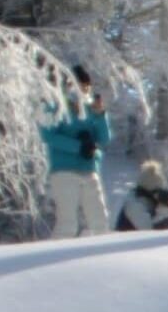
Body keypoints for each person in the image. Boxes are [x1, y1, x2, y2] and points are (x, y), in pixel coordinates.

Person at [39, 64, 113, 238]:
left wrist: (100, 116)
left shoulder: (90, 109)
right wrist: (78, 147)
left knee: (100, 222)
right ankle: (52, 260)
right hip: (64, 169)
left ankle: (102, 260)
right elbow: (48, 136)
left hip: (89, 169)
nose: (83, 92)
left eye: (86, 87)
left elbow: (104, 139)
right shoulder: (54, 106)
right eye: (80, 87)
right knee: (67, 223)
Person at [115, 159, 168, 231]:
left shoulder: (149, 202)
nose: (157, 195)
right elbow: (150, 232)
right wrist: (166, 209)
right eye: (156, 191)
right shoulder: (134, 204)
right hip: (128, 241)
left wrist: (167, 205)